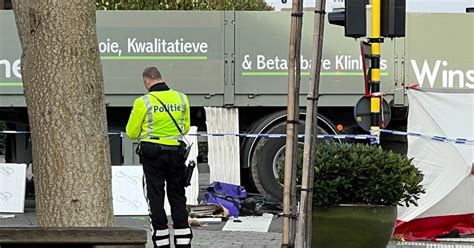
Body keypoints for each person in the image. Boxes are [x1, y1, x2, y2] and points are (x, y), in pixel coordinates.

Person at [126, 67, 192, 248]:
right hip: (176, 154)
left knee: (156, 198)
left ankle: (161, 242)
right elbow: (184, 127)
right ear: (161, 78)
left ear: (147, 82)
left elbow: (131, 132)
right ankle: (183, 243)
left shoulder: (143, 102)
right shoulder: (181, 98)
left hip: (152, 155)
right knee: (178, 198)